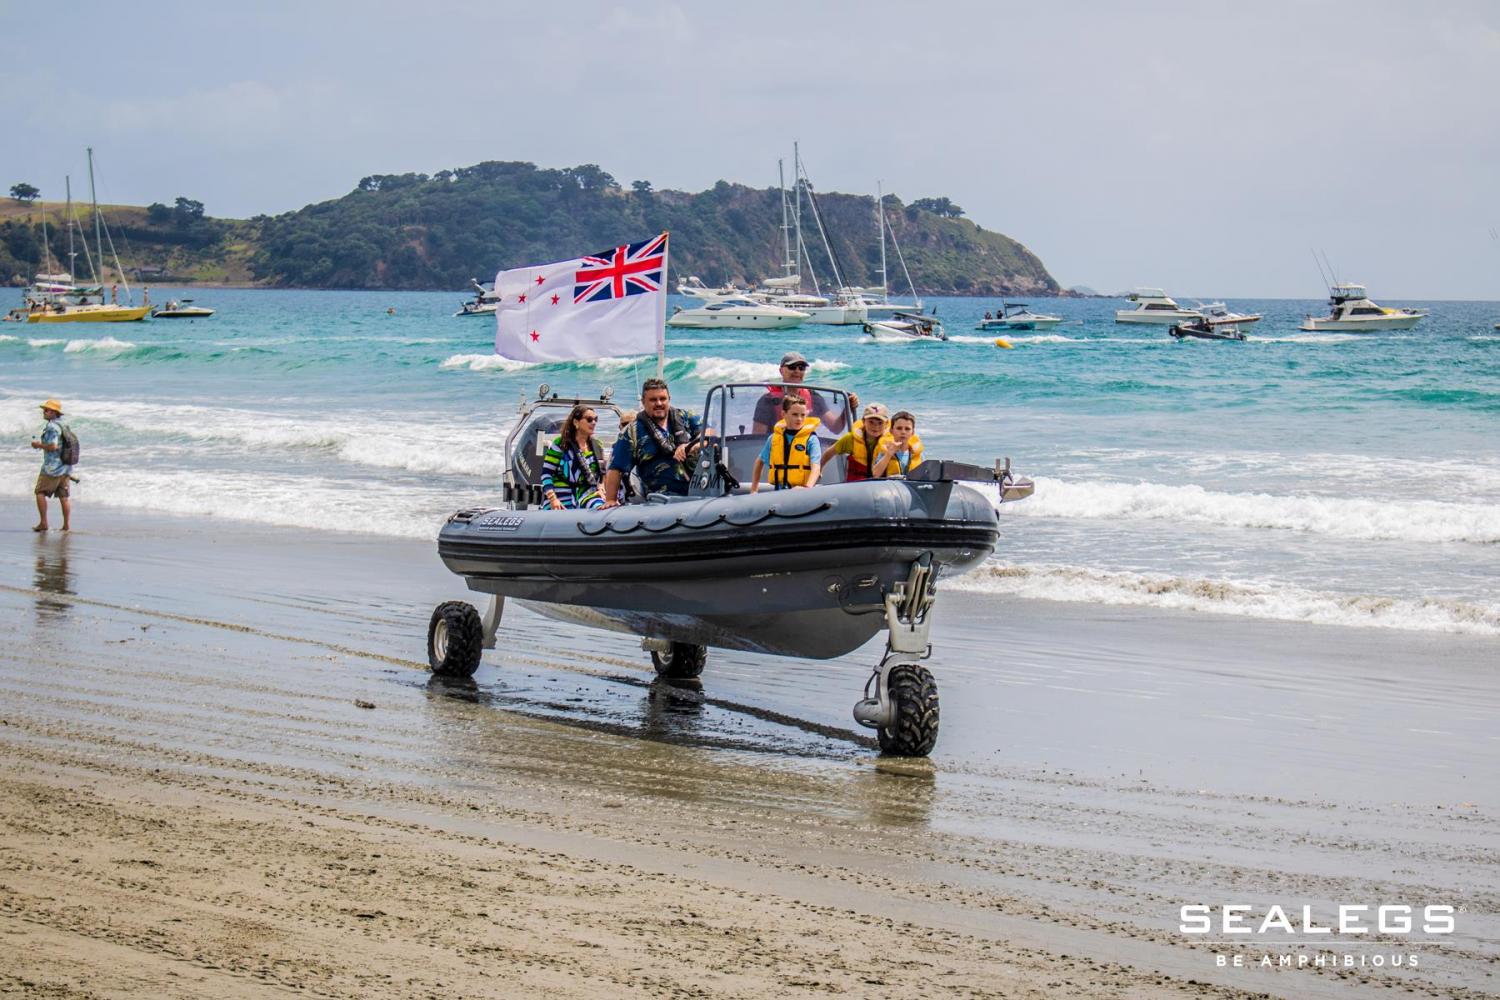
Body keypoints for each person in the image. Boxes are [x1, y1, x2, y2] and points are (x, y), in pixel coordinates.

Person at [603, 379, 703, 506]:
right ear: (643, 402)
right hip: (660, 500)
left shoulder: (685, 417)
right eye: (653, 400)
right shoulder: (631, 432)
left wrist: (693, 445)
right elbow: (616, 468)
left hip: (699, 492)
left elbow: (709, 433)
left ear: (669, 399)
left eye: (663, 399)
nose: (659, 403)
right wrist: (610, 500)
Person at [751, 351, 858, 434]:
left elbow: (836, 428)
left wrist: (848, 406)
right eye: (792, 367)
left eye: (801, 368)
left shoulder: (813, 397)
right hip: (775, 454)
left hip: (805, 453)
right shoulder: (768, 400)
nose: (797, 371)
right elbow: (757, 437)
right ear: (781, 371)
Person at [540, 404, 607, 510]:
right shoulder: (560, 444)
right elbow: (546, 473)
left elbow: (601, 475)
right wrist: (553, 499)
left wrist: (601, 487)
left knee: (602, 507)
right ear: (576, 422)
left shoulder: (597, 445)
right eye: (589, 419)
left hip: (587, 495)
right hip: (560, 495)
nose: (593, 423)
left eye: (596, 419)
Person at [750, 395, 822, 493]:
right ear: (784, 414)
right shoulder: (773, 438)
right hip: (779, 492)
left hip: (802, 493)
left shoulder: (811, 439)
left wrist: (807, 488)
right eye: (795, 414)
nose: (799, 419)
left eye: (803, 415)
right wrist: (754, 490)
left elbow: (816, 467)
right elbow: (759, 462)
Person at [30, 399, 72, 532]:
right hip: (65, 467)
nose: (44, 412)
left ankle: (43, 523)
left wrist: (38, 445)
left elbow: (53, 446)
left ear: (55, 413)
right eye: (44, 409)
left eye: (47, 410)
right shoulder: (63, 425)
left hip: (51, 468)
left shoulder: (51, 427)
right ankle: (66, 526)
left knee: (39, 492)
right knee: (64, 497)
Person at [824, 403, 894, 483]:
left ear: (886, 424)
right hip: (855, 487)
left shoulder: (891, 443)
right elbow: (829, 452)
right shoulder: (850, 439)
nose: (875, 426)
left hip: (879, 487)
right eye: (871, 422)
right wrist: (820, 469)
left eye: (880, 423)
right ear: (864, 421)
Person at [872, 410, 924, 478]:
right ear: (891, 431)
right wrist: (889, 454)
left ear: (913, 432)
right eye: (899, 428)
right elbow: (876, 474)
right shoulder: (884, 452)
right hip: (891, 487)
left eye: (907, 429)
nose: (903, 432)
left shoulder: (918, 454)